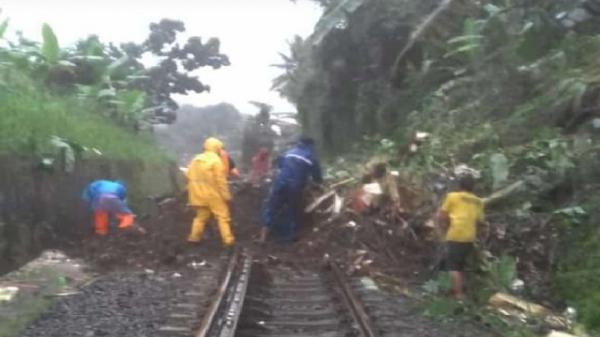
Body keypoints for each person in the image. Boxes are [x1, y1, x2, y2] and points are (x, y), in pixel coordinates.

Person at [260, 137, 323, 242]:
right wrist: (317, 184)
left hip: (280, 183)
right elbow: (317, 177)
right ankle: (286, 238)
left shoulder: (289, 152)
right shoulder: (311, 156)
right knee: (291, 210)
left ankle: (263, 234)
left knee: (272, 207)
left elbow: (279, 164)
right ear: (311, 145)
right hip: (295, 186)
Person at [436, 174, 486, 300]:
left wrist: (443, 228)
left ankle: (458, 295)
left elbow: (442, 215)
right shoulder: (478, 201)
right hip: (469, 237)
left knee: (453, 267)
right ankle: (451, 290)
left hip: (455, 234)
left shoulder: (452, 197)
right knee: (460, 265)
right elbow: (480, 222)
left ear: (460, 185)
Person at [186, 137, 234, 247]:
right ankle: (228, 240)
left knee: (201, 217)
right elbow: (220, 181)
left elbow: (188, 175)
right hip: (213, 195)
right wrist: (226, 196)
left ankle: (194, 238)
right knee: (222, 217)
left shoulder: (196, 159)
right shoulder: (216, 161)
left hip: (197, 194)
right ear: (217, 147)